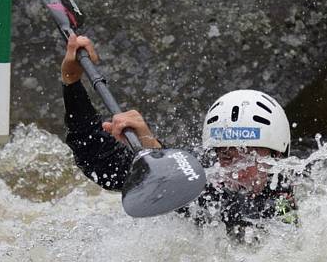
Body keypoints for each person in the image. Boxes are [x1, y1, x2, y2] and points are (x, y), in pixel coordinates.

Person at [60, 34, 297, 238]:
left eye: (250, 159)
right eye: (227, 158)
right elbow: (101, 165)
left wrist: (153, 149)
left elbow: (238, 214)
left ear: (277, 156)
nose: (238, 172)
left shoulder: (283, 199)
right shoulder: (201, 171)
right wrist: (72, 83)